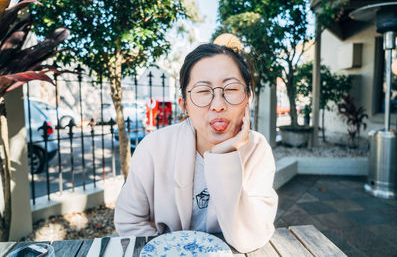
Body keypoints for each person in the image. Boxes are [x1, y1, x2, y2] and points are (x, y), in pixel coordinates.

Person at [114, 38, 278, 253]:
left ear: (247, 98)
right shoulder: (154, 147)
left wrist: (224, 154)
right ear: (185, 105)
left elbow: (250, 238)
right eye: (203, 91)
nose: (218, 105)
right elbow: (129, 220)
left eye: (231, 89)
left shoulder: (257, 150)